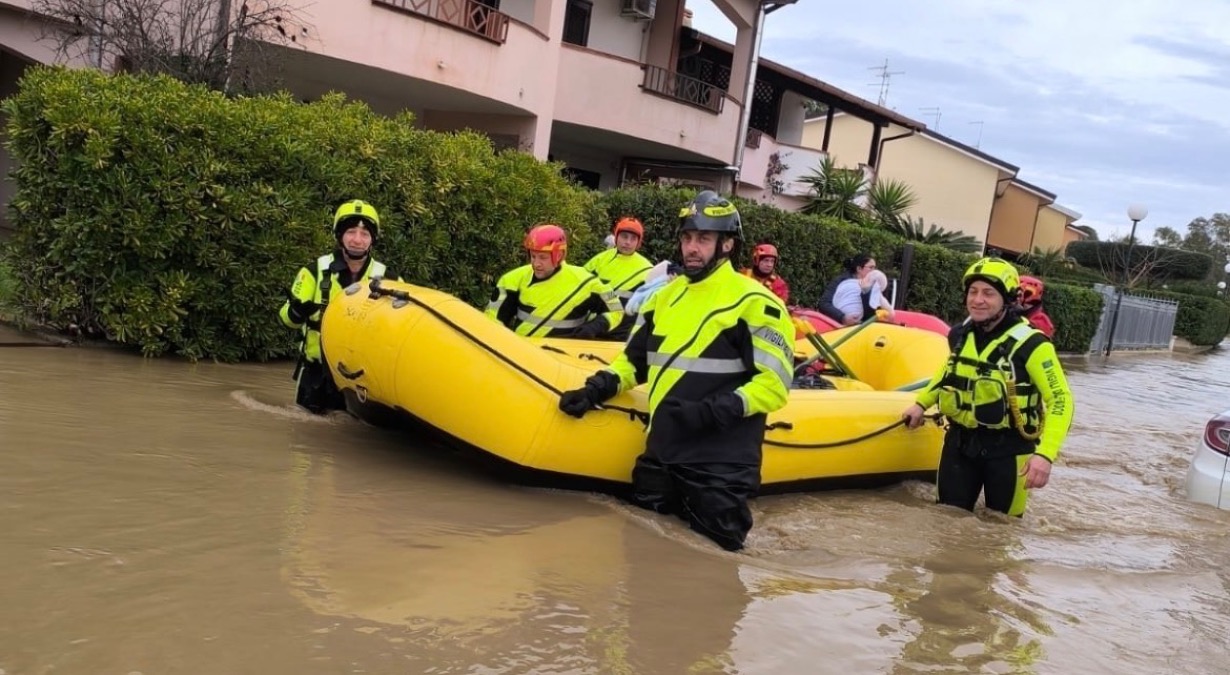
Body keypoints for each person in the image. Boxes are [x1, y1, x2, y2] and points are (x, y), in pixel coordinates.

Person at [556, 190, 795, 552]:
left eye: (703, 238)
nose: (691, 248)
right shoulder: (662, 298)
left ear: (727, 244)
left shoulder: (757, 303)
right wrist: (596, 389)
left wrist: (711, 412)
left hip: (721, 464)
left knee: (713, 578)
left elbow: (774, 385)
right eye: (686, 238)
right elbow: (634, 363)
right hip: (662, 453)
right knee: (641, 563)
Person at [901, 257, 1074, 517]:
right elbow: (950, 372)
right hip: (960, 443)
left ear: (1007, 299)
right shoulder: (959, 334)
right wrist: (921, 403)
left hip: (1010, 449)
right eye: (973, 292)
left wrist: (1046, 455)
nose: (977, 299)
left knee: (1002, 530)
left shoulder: (1034, 345)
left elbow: (1061, 400)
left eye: (988, 293)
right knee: (946, 520)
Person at [280, 199, 398, 414]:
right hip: (316, 375)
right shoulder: (314, 271)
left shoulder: (390, 279)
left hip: (363, 381)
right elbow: (286, 318)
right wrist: (296, 312)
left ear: (372, 239)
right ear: (339, 235)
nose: (357, 240)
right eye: (351, 232)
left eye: (365, 234)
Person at [485, 223, 623, 339]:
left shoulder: (586, 282)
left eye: (543, 257)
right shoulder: (511, 280)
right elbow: (491, 324)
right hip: (523, 359)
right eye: (533, 256)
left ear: (560, 255)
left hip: (564, 359)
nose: (536, 263)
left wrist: (594, 327)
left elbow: (616, 309)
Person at [583, 217, 654, 338]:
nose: (628, 242)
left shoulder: (647, 270)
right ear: (616, 237)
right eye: (624, 236)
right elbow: (580, 289)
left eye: (633, 238)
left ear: (638, 243)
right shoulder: (599, 260)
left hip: (621, 336)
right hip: (591, 330)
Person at [818, 253, 880, 325]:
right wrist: (842, 317)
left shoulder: (875, 285)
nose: (874, 271)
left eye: (875, 268)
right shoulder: (840, 282)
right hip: (838, 326)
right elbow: (824, 303)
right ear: (859, 269)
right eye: (871, 267)